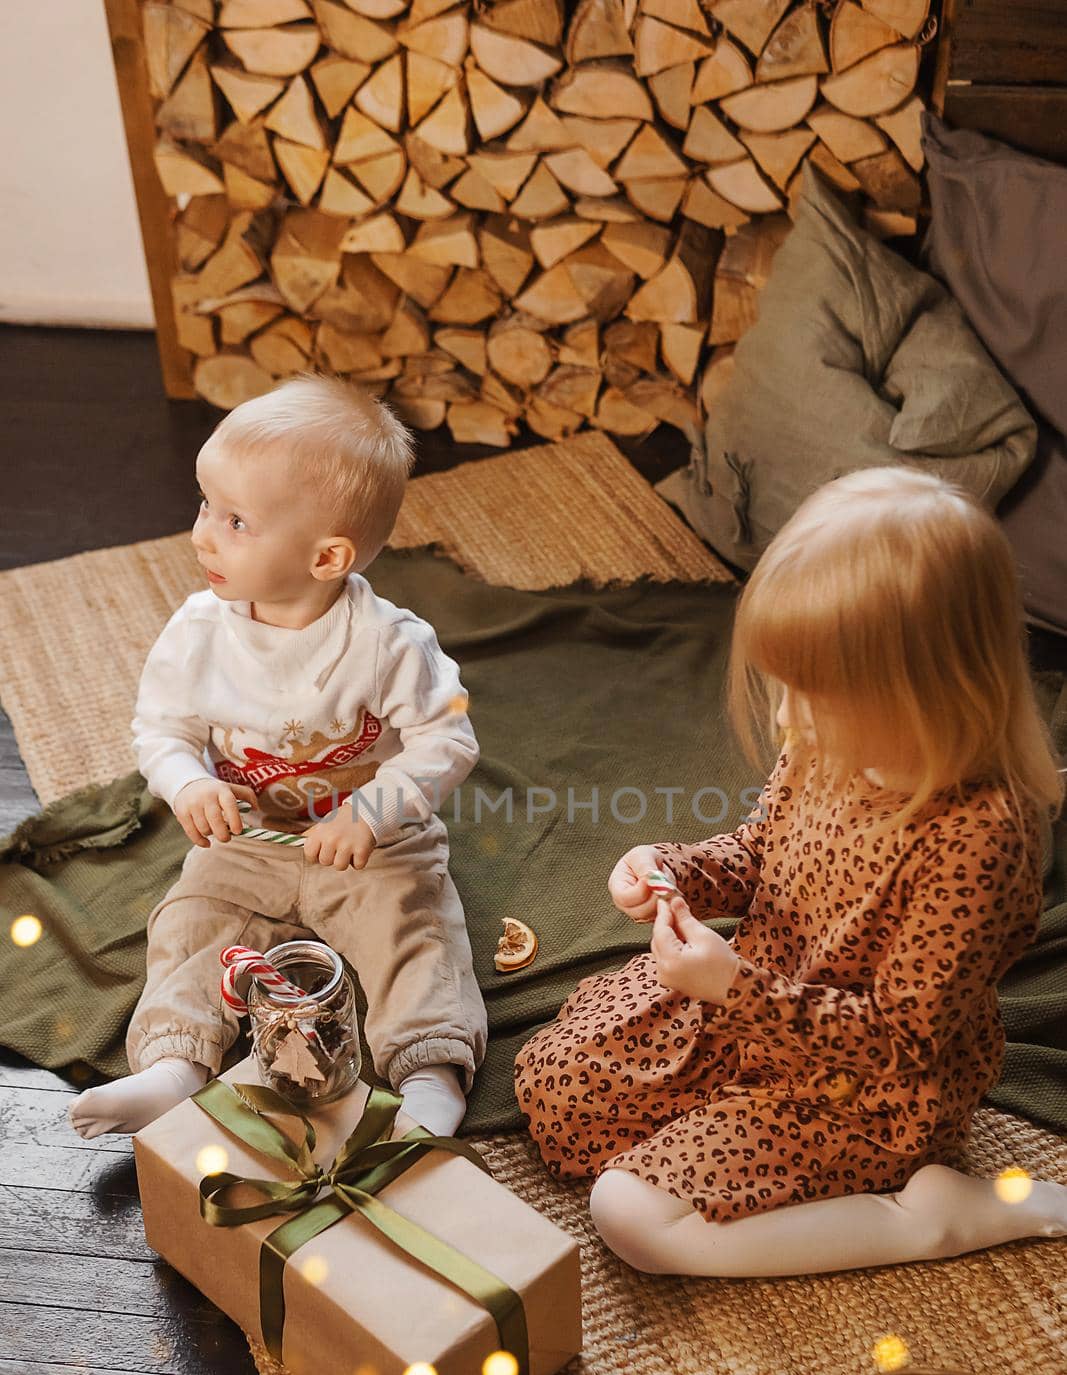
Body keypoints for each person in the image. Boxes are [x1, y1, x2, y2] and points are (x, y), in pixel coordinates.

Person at [515, 466, 1067, 1276]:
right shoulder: (821, 745)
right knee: (556, 1088)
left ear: (921, 694)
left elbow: (902, 1040)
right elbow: (756, 855)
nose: (784, 720)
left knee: (631, 1216)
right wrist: (671, 870)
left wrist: (731, 988)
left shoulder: (978, 842)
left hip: (858, 1090)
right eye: (785, 690)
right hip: (754, 1004)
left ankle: (929, 1217)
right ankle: (700, 1123)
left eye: (815, 698)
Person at [71, 374, 486, 1140]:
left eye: (236, 521)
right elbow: (160, 730)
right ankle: (175, 1064)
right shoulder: (198, 632)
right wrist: (187, 780)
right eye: (204, 505)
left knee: (414, 926)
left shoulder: (392, 645)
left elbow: (447, 738)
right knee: (192, 924)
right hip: (249, 840)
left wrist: (372, 810)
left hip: (372, 846)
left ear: (328, 556)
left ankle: (428, 1072)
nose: (201, 535)